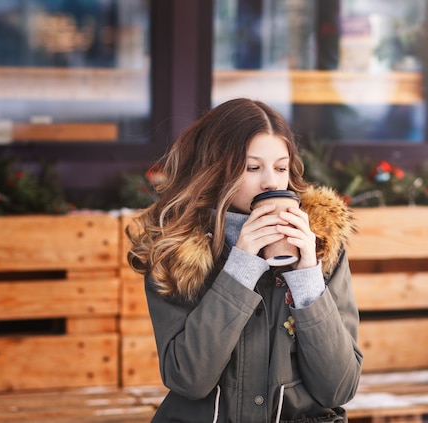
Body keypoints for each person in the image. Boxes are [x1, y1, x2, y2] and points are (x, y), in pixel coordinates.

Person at [126, 98, 363, 422]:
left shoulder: (322, 246)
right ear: (214, 169)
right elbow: (188, 378)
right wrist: (241, 267)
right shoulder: (177, 251)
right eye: (253, 167)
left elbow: (339, 388)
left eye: (280, 167)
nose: (271, 182)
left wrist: (308, 275)